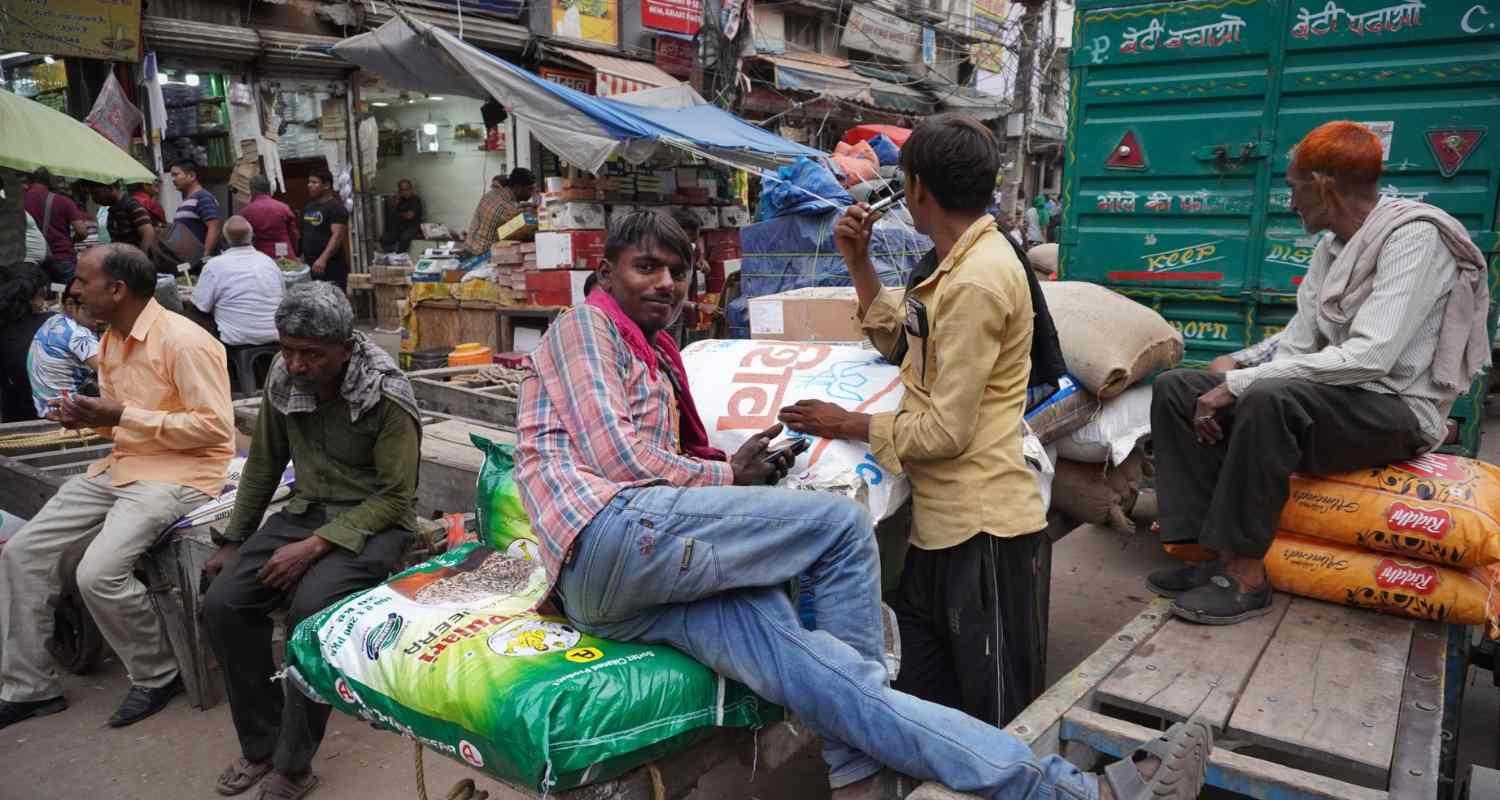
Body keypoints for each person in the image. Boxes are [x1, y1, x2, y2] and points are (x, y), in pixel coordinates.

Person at [515, 210, 1211, 800]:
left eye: (678, 270)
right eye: (646, 268)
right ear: (605, 275)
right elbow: (620, 462)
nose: (665, 284)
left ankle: (1074, 791)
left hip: (638, 576)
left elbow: (653, 458)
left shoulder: (657, 349)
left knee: (826, 677)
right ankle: (857, 772)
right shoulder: (588, 328)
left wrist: (730, 469)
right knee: (841, 526)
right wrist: (727, 476)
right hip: (608, 537)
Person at [1150, 121, 1491, 625]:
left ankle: (1246, 577)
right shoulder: (1331, 248)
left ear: (1323, 185)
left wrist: (1242, 384)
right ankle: (1207, 556)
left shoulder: (1415, 239)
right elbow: (1298, 345)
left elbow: (1369, 358)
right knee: (1178, 387)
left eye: (1294, 188)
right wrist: (1238, 369)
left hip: (1395, 408)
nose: (1290, 203)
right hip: (1333, 402)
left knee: (1271, 398)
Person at [779, 114, 1053, 730]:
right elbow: (905, 341)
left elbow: (945, 433)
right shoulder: (952, 264)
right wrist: (859, 262)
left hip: (985, 534)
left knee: (997, 719)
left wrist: (847, 421)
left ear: (918, 188)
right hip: (942, 531)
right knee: (934, 698)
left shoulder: (978, 280)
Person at [0, 243, 235, 730]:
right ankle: (29, 688)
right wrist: (88, 418)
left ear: (118, 289)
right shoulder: (111, 338)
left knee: (97, 574)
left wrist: (121, 416)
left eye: (84, 280)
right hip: (123, 465)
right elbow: (121, 422)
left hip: (182, 473)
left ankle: (156, 673)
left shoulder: (184, 341)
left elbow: (215, 431)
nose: (75, 289)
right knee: (22, 553)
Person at [203, 282, 420, 800]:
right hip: (305, 512)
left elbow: (397, 498)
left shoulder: (385, 393)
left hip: (374, 524)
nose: (296, 364)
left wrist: (316, 546)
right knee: (224, 604)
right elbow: (263, 465)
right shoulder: (284, 379)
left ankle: (294, 764)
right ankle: (262, 745)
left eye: (311, 355)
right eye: (288, 350)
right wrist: (235, 538)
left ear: (345, 348)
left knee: (311, 613)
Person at [193, 216, 284, 346]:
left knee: (194, 315)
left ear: (223, 240)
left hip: (234, 339)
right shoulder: (269, 263)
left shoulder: (214, 265)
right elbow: (282, 297)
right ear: (252, 238)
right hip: (274, 336)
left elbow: (201, 307)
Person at [28, 276, 101, 416]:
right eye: (92, 310)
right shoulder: (78, 334)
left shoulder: (54, 321)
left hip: (45, 409)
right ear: (70, 305)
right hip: (70, 412)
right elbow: (111, 373)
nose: (100, 317)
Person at [0, 264, 56, 422]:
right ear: (41, 291)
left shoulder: (5, 327)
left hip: (14, 422)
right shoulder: (56, 325)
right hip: (56, 421)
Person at [23, 168, 90, 281]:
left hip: (31, 260)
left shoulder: (19, 200)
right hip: (62, 257)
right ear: (50, 180)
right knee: (68, 296)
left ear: (30, 179)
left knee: (38, 297)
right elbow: (82, 231)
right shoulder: (63, 201)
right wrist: (72, 241)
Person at [464, 167, 534, 257]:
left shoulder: (491, 194)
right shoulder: (509, 210)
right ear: (518, 187)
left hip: (469, 248)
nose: (531, 193)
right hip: (482, 257)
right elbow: (523, 234)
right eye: (529, 189)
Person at [299, 169, 349, 290]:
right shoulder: (309, 207)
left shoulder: (336, 208)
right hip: (311, 265)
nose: (309, 185)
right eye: (309, 182)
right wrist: (301, 257)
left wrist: (323, 259)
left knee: (332, 302)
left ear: (326, 185)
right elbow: (306, 233)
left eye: (314, 182)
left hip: (330, 265)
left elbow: (337, 236)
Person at [84, 181, 157, 253]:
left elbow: (148, 233)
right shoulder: (112, 211)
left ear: (110, 188)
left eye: (96, 193)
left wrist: (141, 259)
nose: (94, 199)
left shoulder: (132, 206)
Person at [240, 176, 300, 261]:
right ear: (268, 189)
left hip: (260, 256)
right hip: (285, 255)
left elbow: (243, 239)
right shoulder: (283, 207)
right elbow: (294, 234)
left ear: (252, 190)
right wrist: (295, 252)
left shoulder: (246, 211)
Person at [380, 179, 423, 255]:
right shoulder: (401, 200)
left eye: (407, 189)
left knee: (405, 238)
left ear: (411, 189)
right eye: (402, 190)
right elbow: (393, 214)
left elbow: (410, 216)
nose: (405, 192)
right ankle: (392, 253)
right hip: (401, 227)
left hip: (412, 227)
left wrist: (399, 215)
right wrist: (396, 202)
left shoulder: (415, 200)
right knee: (385, 238)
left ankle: (399, 255)